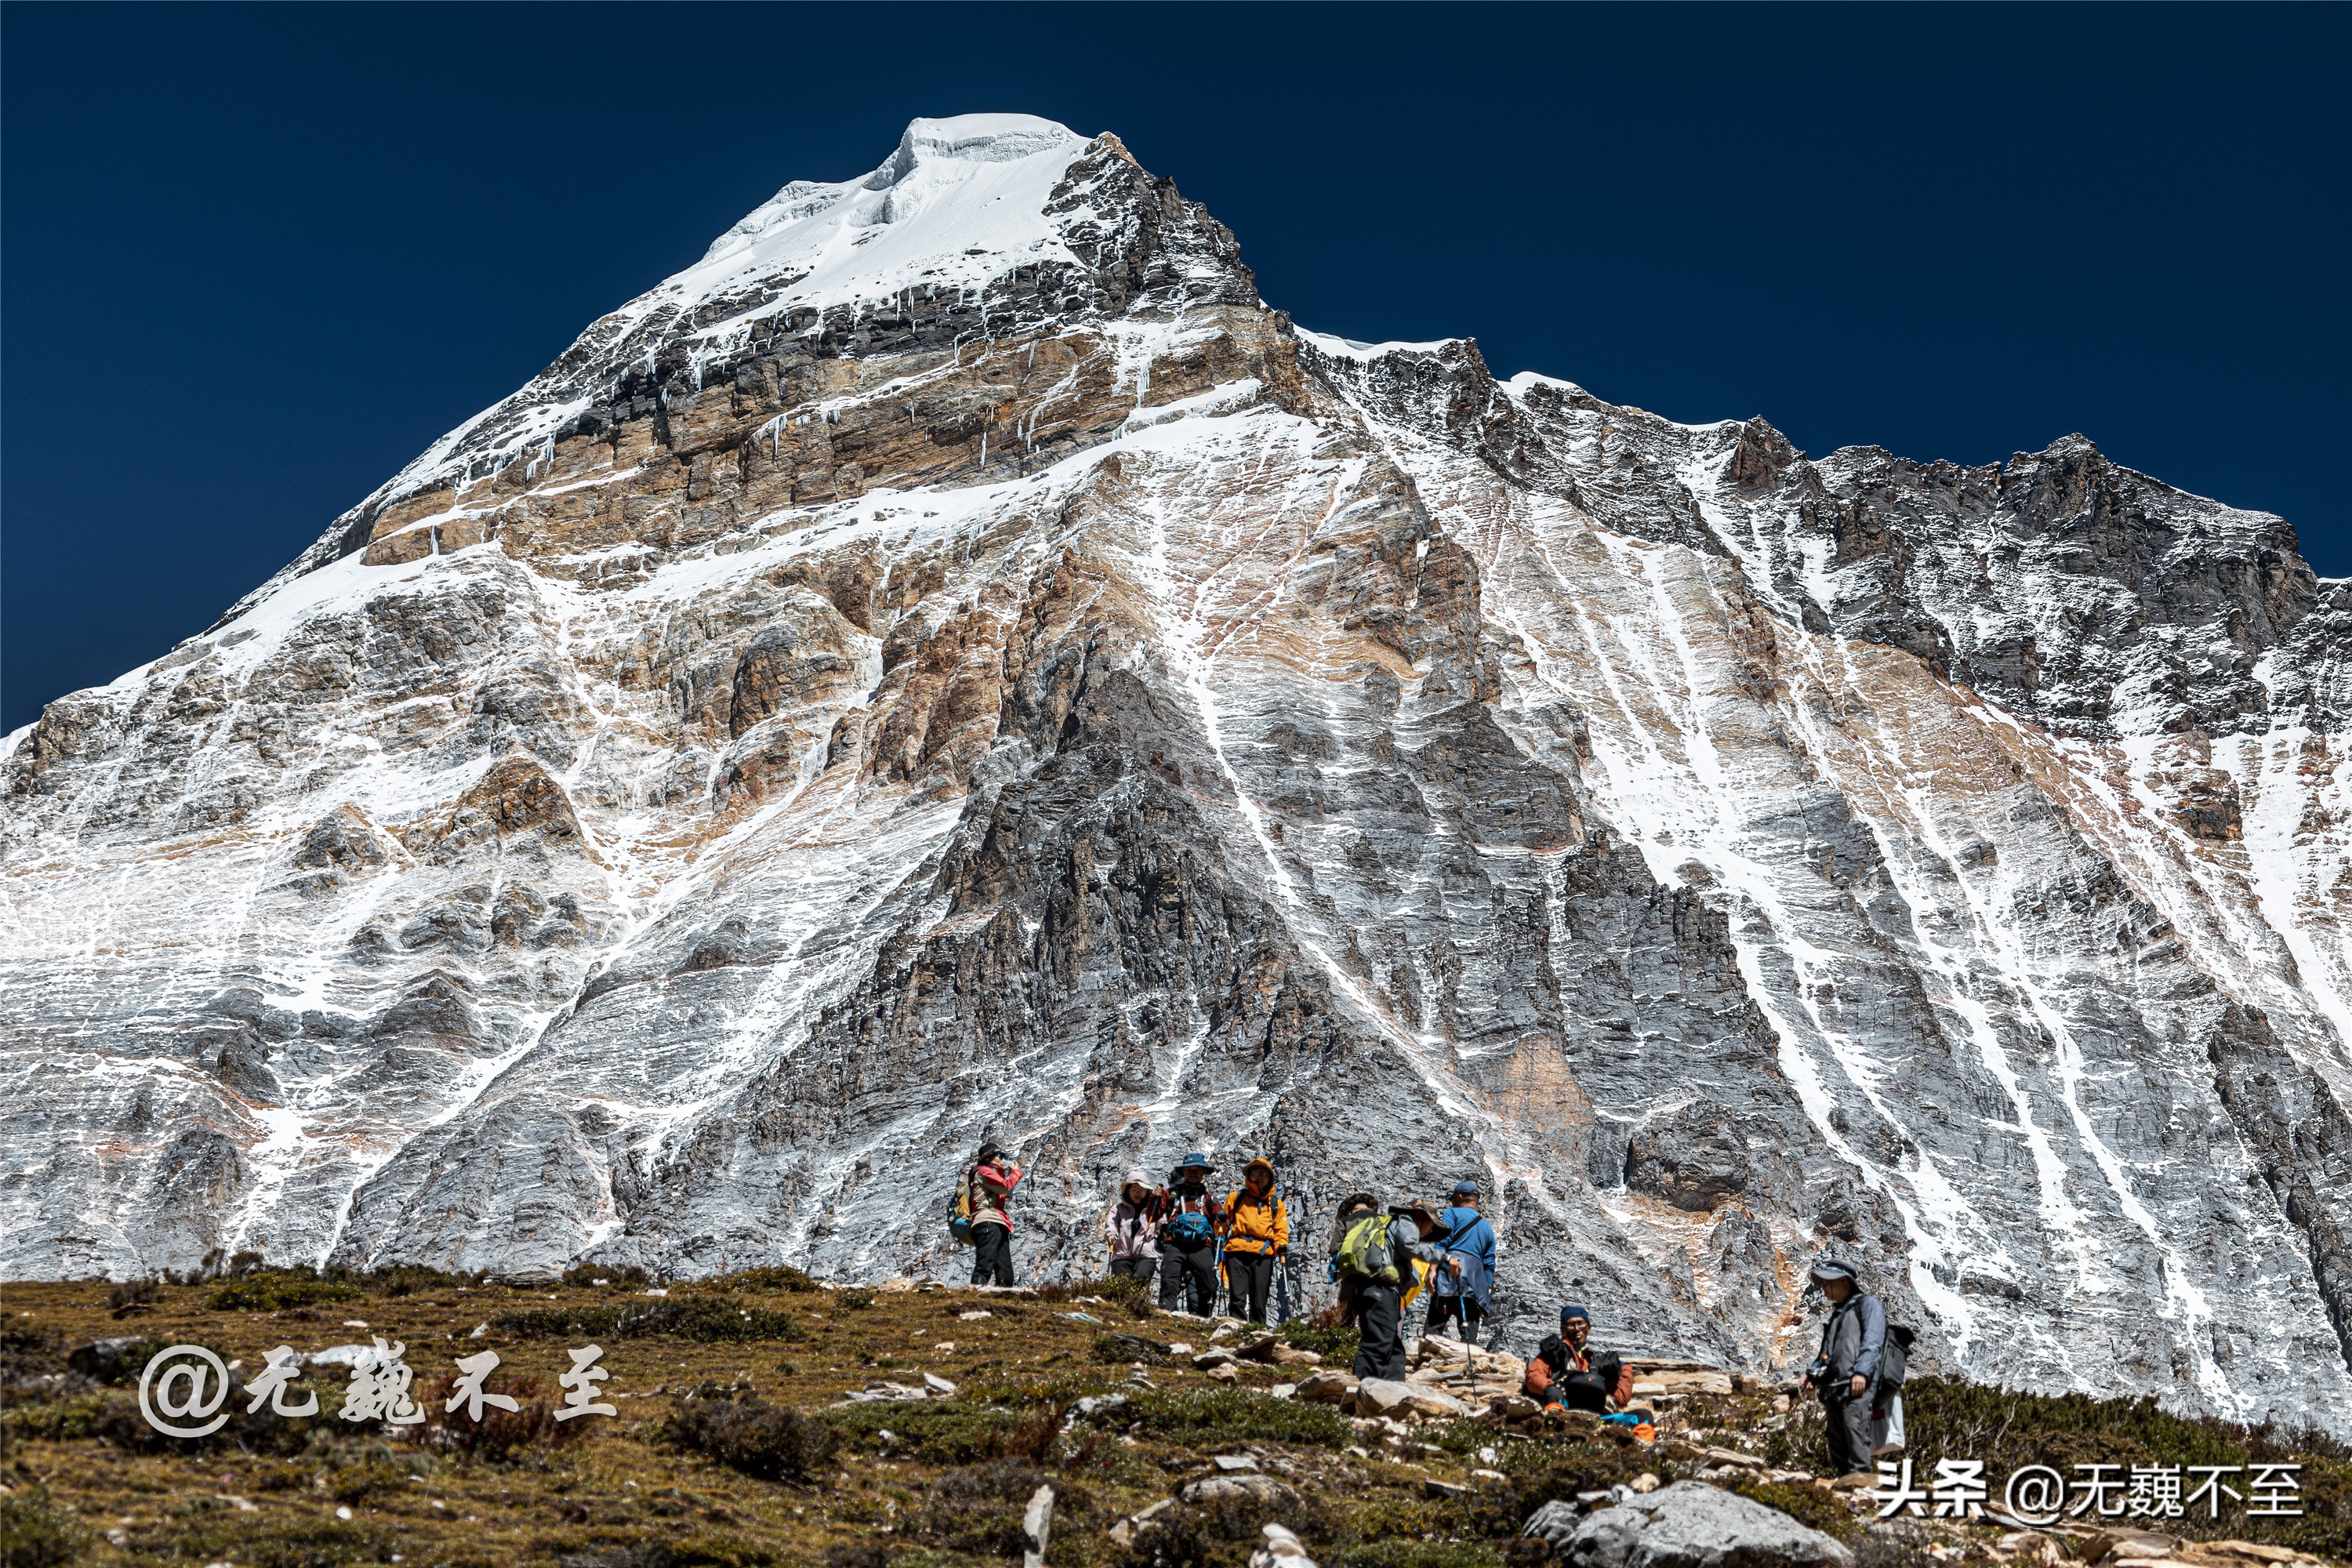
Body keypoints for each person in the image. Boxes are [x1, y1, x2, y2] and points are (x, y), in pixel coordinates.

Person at [1344, 1200, 1462, 1381]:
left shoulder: (1393, 1227)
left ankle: (1394, 1392)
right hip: (1380, 1291)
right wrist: (1445, 1258)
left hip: (1383, 1292)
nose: (1430, 1231)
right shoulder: (1406, 1222)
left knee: (1393, 1348)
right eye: (1431, 1226)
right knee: (1378, 1344)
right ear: (1422, 1216)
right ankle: (1359, 1388)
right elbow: (1411, 1247)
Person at [1798, 1258, 1886, 1478]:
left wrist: (1862, 1372)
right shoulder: (1838, 1315)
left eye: (1828, 1282)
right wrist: (1813, 1375)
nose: (1824, 1288)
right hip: (1833, 1387)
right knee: (1836, 1440)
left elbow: (1873, 1340)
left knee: (1854, 1430)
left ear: (1845, 1282)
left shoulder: (1867, 1305)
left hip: (1854, 1384)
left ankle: (1861, 1487)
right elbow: (1826, 1352)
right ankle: (1846, 1488)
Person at [1425, 1179, 1496, 1345]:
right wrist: (1485, 1293)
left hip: (1450, 1274)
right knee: (1469, 1336)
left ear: (1459, 1196)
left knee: (1434, 1328)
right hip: (1475, 1282)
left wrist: (1433, 1270)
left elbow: (1443, 1241)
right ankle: (1466, 1366)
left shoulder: (1453, 1213)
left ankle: (1426, 1361)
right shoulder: (1487, 1228)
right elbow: (1489, 1263)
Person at [1220, 1156, 1290, 1324]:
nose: (1259, 1176)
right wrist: (1220, 1222)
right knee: (1238, 1296)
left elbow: (1280, 1229)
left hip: (1263, 1253)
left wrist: (1281, 1246)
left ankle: (1258, 1331)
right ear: (1249, 1175)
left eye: (1263, 1173)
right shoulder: (1235, 1198)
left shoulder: (1276, 1204)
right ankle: (1237, 1330)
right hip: (1236, 1250)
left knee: (1260, 1299)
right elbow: (1222, 1228)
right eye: (1256, 1172)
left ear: (1270, 1178)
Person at [1157, 1152, 1226, 1315]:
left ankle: (1203, 1316)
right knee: (1170, 1278)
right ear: (1183, 1173)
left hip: (1202, 1245)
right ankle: (1166, 1314)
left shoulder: (1209, 1199)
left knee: (1208, 1282)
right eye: (1189, 1170)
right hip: (1175, 1243)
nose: (1194, 1173)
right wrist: (1155, 1199)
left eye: (1198, 1170)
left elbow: (1223, 1224)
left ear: (1204, 1173)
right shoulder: (1170, 1194)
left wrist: (1222, 1219)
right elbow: (1153, 1216)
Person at [1523, 1305, 1628, 1411]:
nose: (1577, 1329)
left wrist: (1612, 1382)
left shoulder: (1596, 1362)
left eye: (1581, 1324)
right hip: (1561, 1407)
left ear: (1589, 1329)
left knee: (1642, 1415)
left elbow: (1621, 1398)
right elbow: (1533, 1376)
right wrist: (1550, 1388)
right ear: (1563, 1330)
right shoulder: (1552, 1355)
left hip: (1595, 1413)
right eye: (1571, 1324)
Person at [967, 1139, 1023, 1287]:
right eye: (998, 1155)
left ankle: (1004, 1294)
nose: (1002, 1159)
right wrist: (1016, 1173)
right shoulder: (983, 1171)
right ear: (988, 1158)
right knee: (985, 1263)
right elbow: (1005, 1187)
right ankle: (976, 1292)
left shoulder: (992, 1175)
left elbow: (1004, 1191)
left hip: (998, 1221)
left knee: (1005, 1269)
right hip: (987, 1220)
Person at [1104, 1170, 1160, 1283]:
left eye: (1141, 1190)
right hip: (1121, 1256)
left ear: (1147, 1192)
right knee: (1122, 1285)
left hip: (1146, 1255)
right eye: (1133, 1190)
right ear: (1127, 1191)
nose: (1137, 1193)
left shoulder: (1153, 1209)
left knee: (1141, 1279)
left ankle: (1136, 1301)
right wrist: (1111, 1234)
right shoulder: (1118, 1209)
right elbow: (1112, 1224)